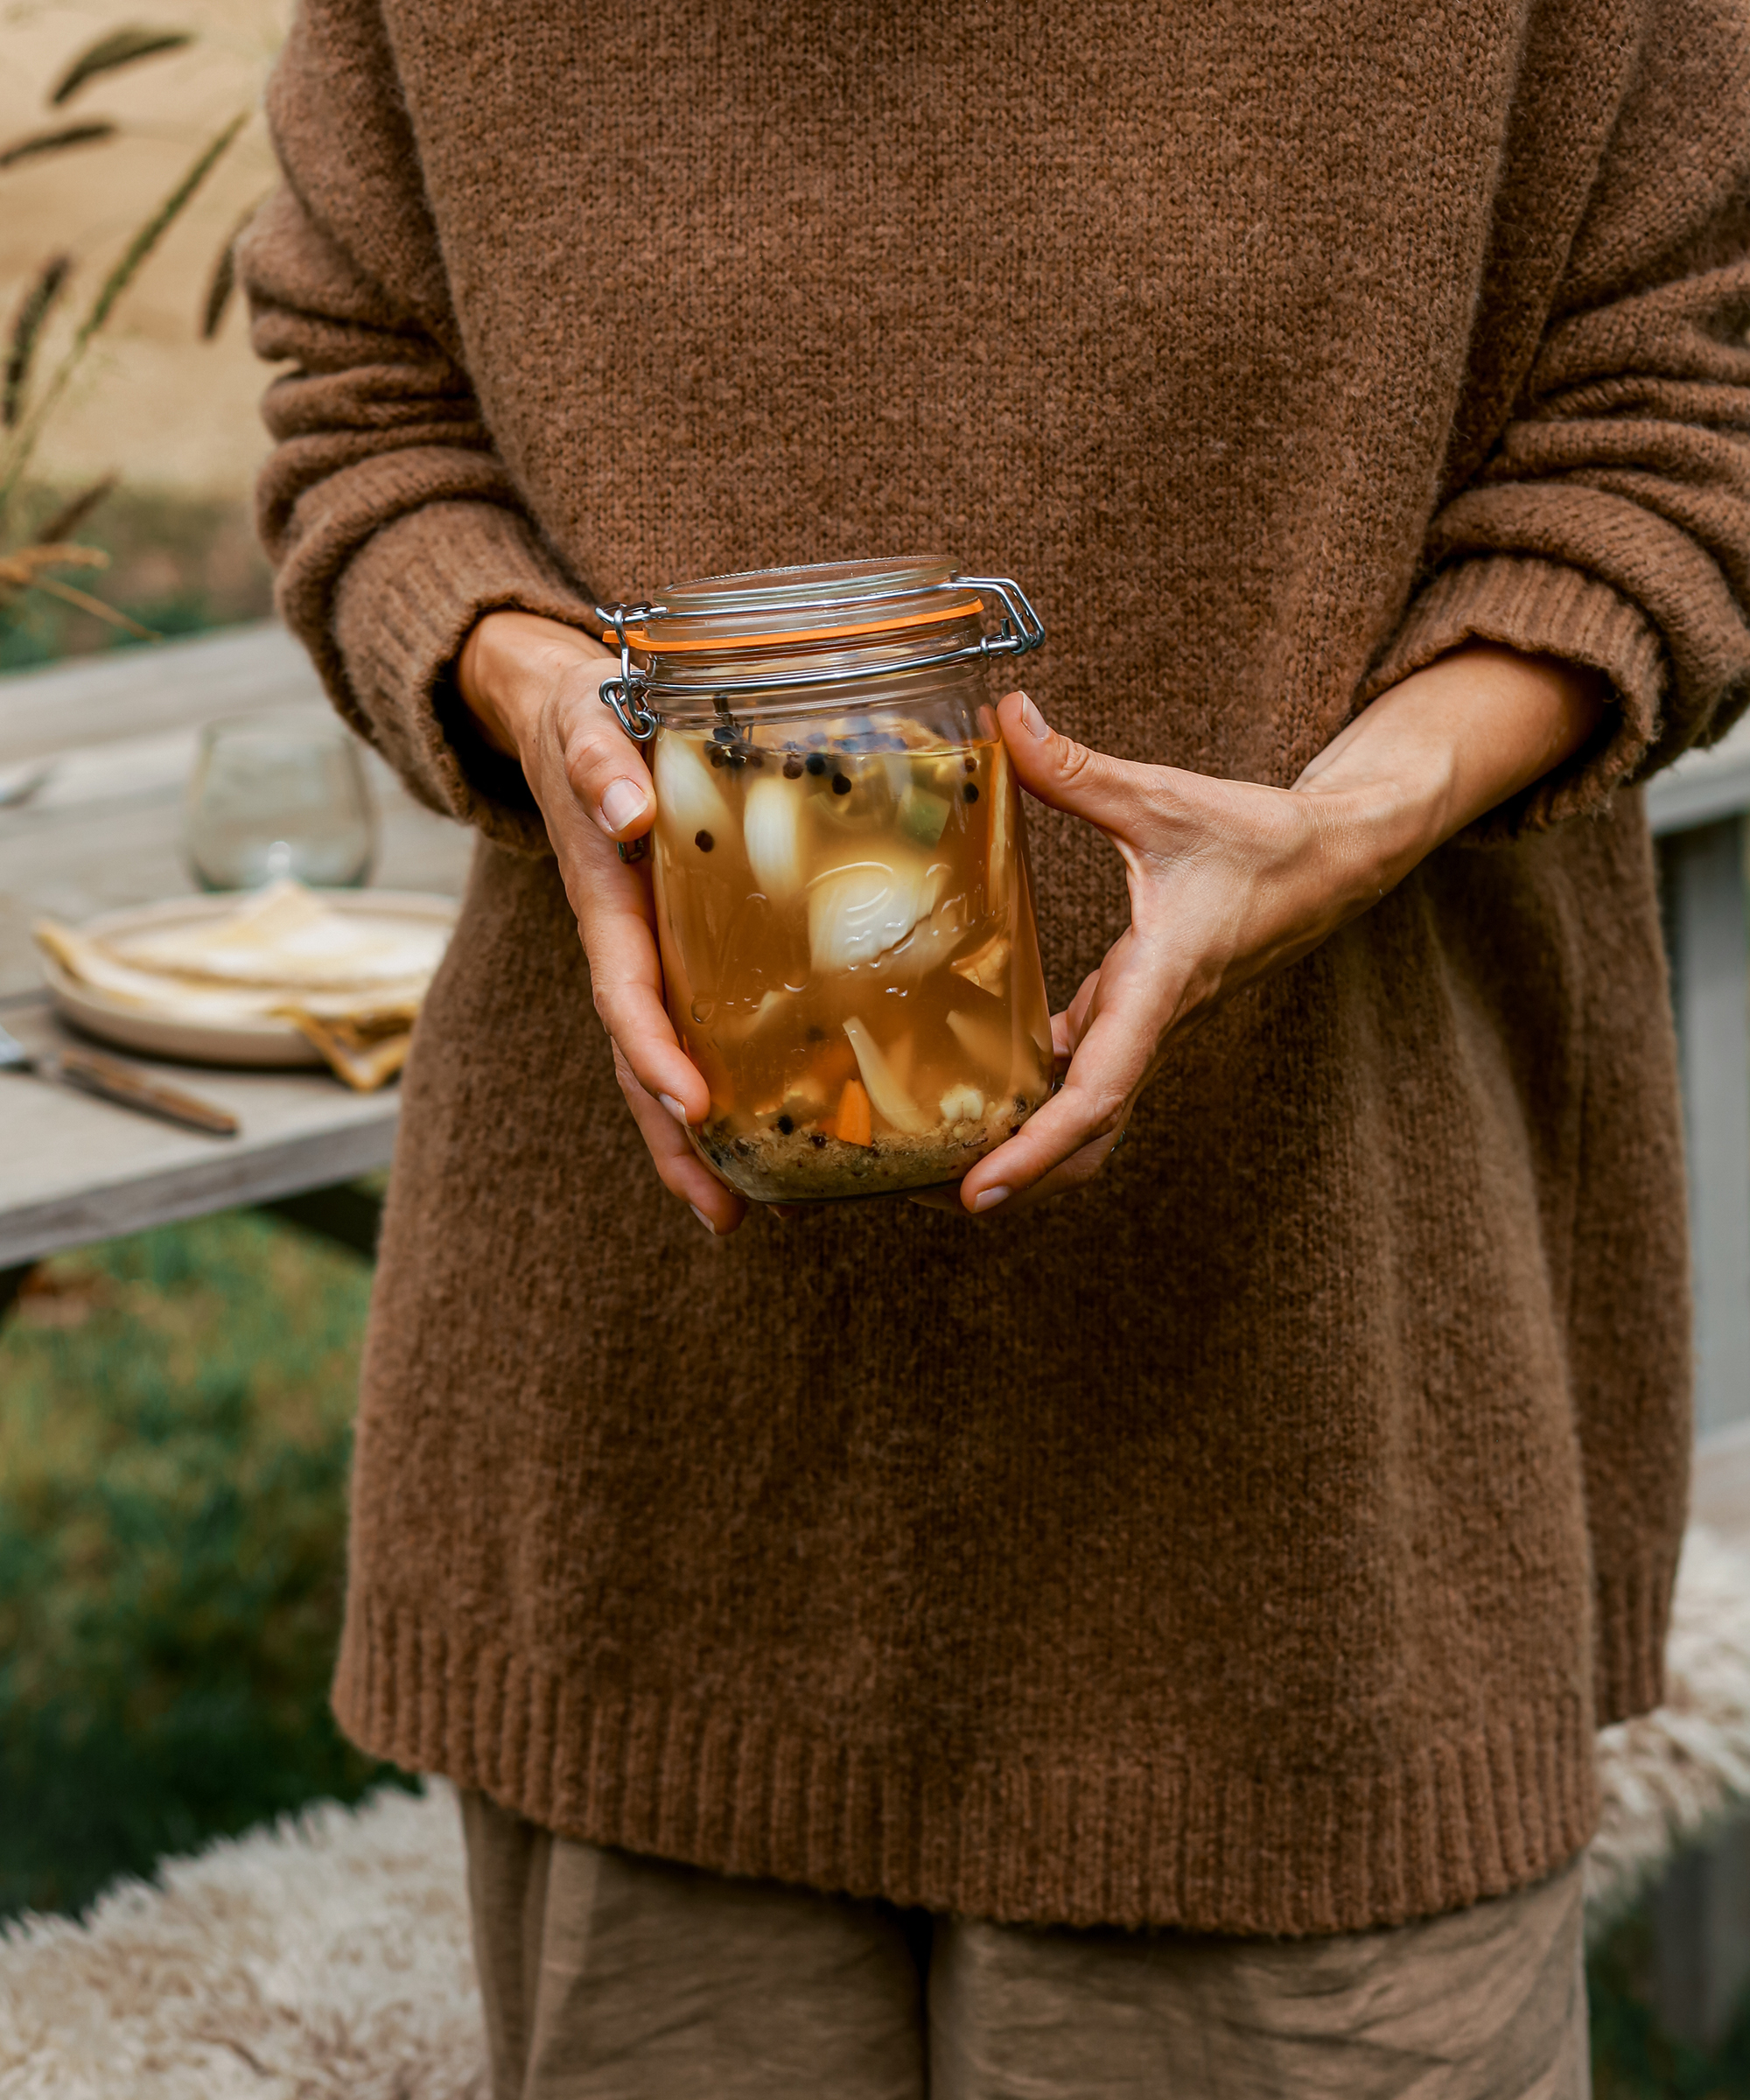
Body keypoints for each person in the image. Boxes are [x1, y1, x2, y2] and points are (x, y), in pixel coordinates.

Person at [240, 0, 1750, 2090]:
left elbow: (1682, 417)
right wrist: (539, 702)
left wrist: (1348, 817)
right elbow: (364, 404)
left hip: (1300, 1467)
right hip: (651, 1456)